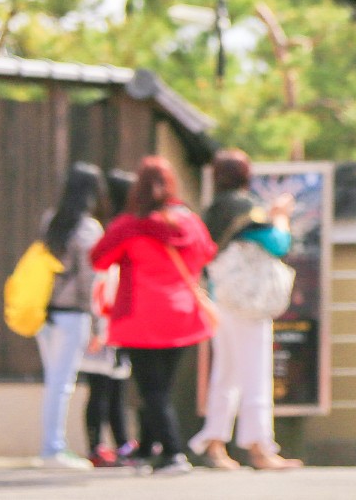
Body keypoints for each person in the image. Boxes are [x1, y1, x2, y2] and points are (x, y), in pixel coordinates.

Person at [91, 155, 217, 476]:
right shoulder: (189, 221)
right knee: (162, 387)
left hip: (140, 316)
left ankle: (173, 453)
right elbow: (207, 253)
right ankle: (148, 450)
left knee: (152, 389)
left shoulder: (128, 225)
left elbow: (99, 260)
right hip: (182, 314)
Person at [188, 149, 301, 471]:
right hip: (248, 303)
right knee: (255, 373)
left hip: (221, 298)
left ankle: (214, 443)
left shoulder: (213, 210)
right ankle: (259, 447)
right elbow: (279, 243)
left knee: (226, 374)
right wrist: (280, 214)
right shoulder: (245, 208)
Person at [34, 162, 107, 470]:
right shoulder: (88, 228)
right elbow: (90, 281)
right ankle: (53, 449)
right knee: (62, 384)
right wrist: (98, 323)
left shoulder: (51, 221)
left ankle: (51, 446)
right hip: (73, 315)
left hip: (45, 315)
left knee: (54, 382)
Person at [79, 169, 136, 469]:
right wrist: (100, 327)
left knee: (113, 385)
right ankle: (98, 446)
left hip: (115, 318)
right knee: (104, 387)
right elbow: (101, 282)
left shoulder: (112, 227)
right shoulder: (114, 230)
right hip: (108, 319)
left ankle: (120, 443)